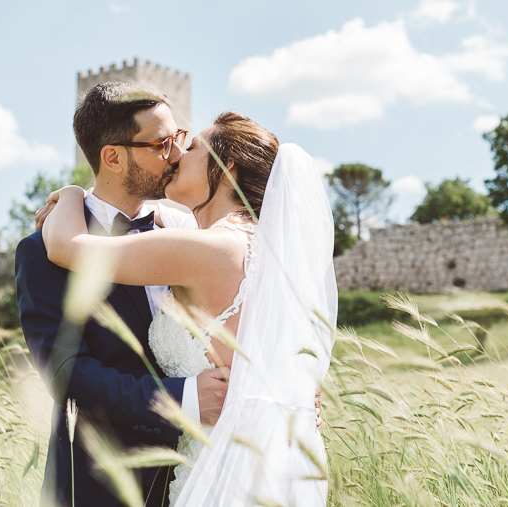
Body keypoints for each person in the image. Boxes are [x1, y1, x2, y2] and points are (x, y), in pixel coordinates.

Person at [41, 100, 337, 504]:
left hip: (224, 469)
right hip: (263, 460)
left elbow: (65, 246)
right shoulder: (263, 246)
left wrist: (73, 194)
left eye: (193, 146)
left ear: (227, 166)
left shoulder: (207, 248)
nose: (177, 154)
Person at [15, 81, 230, 507]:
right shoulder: (44, 252)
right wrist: (184, 399)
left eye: (179, 140)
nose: (175, 156)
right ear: (112, 157)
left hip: (208, 473)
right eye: (161, 144)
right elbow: (67, 375)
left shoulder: (191, 234)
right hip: (102, 486)